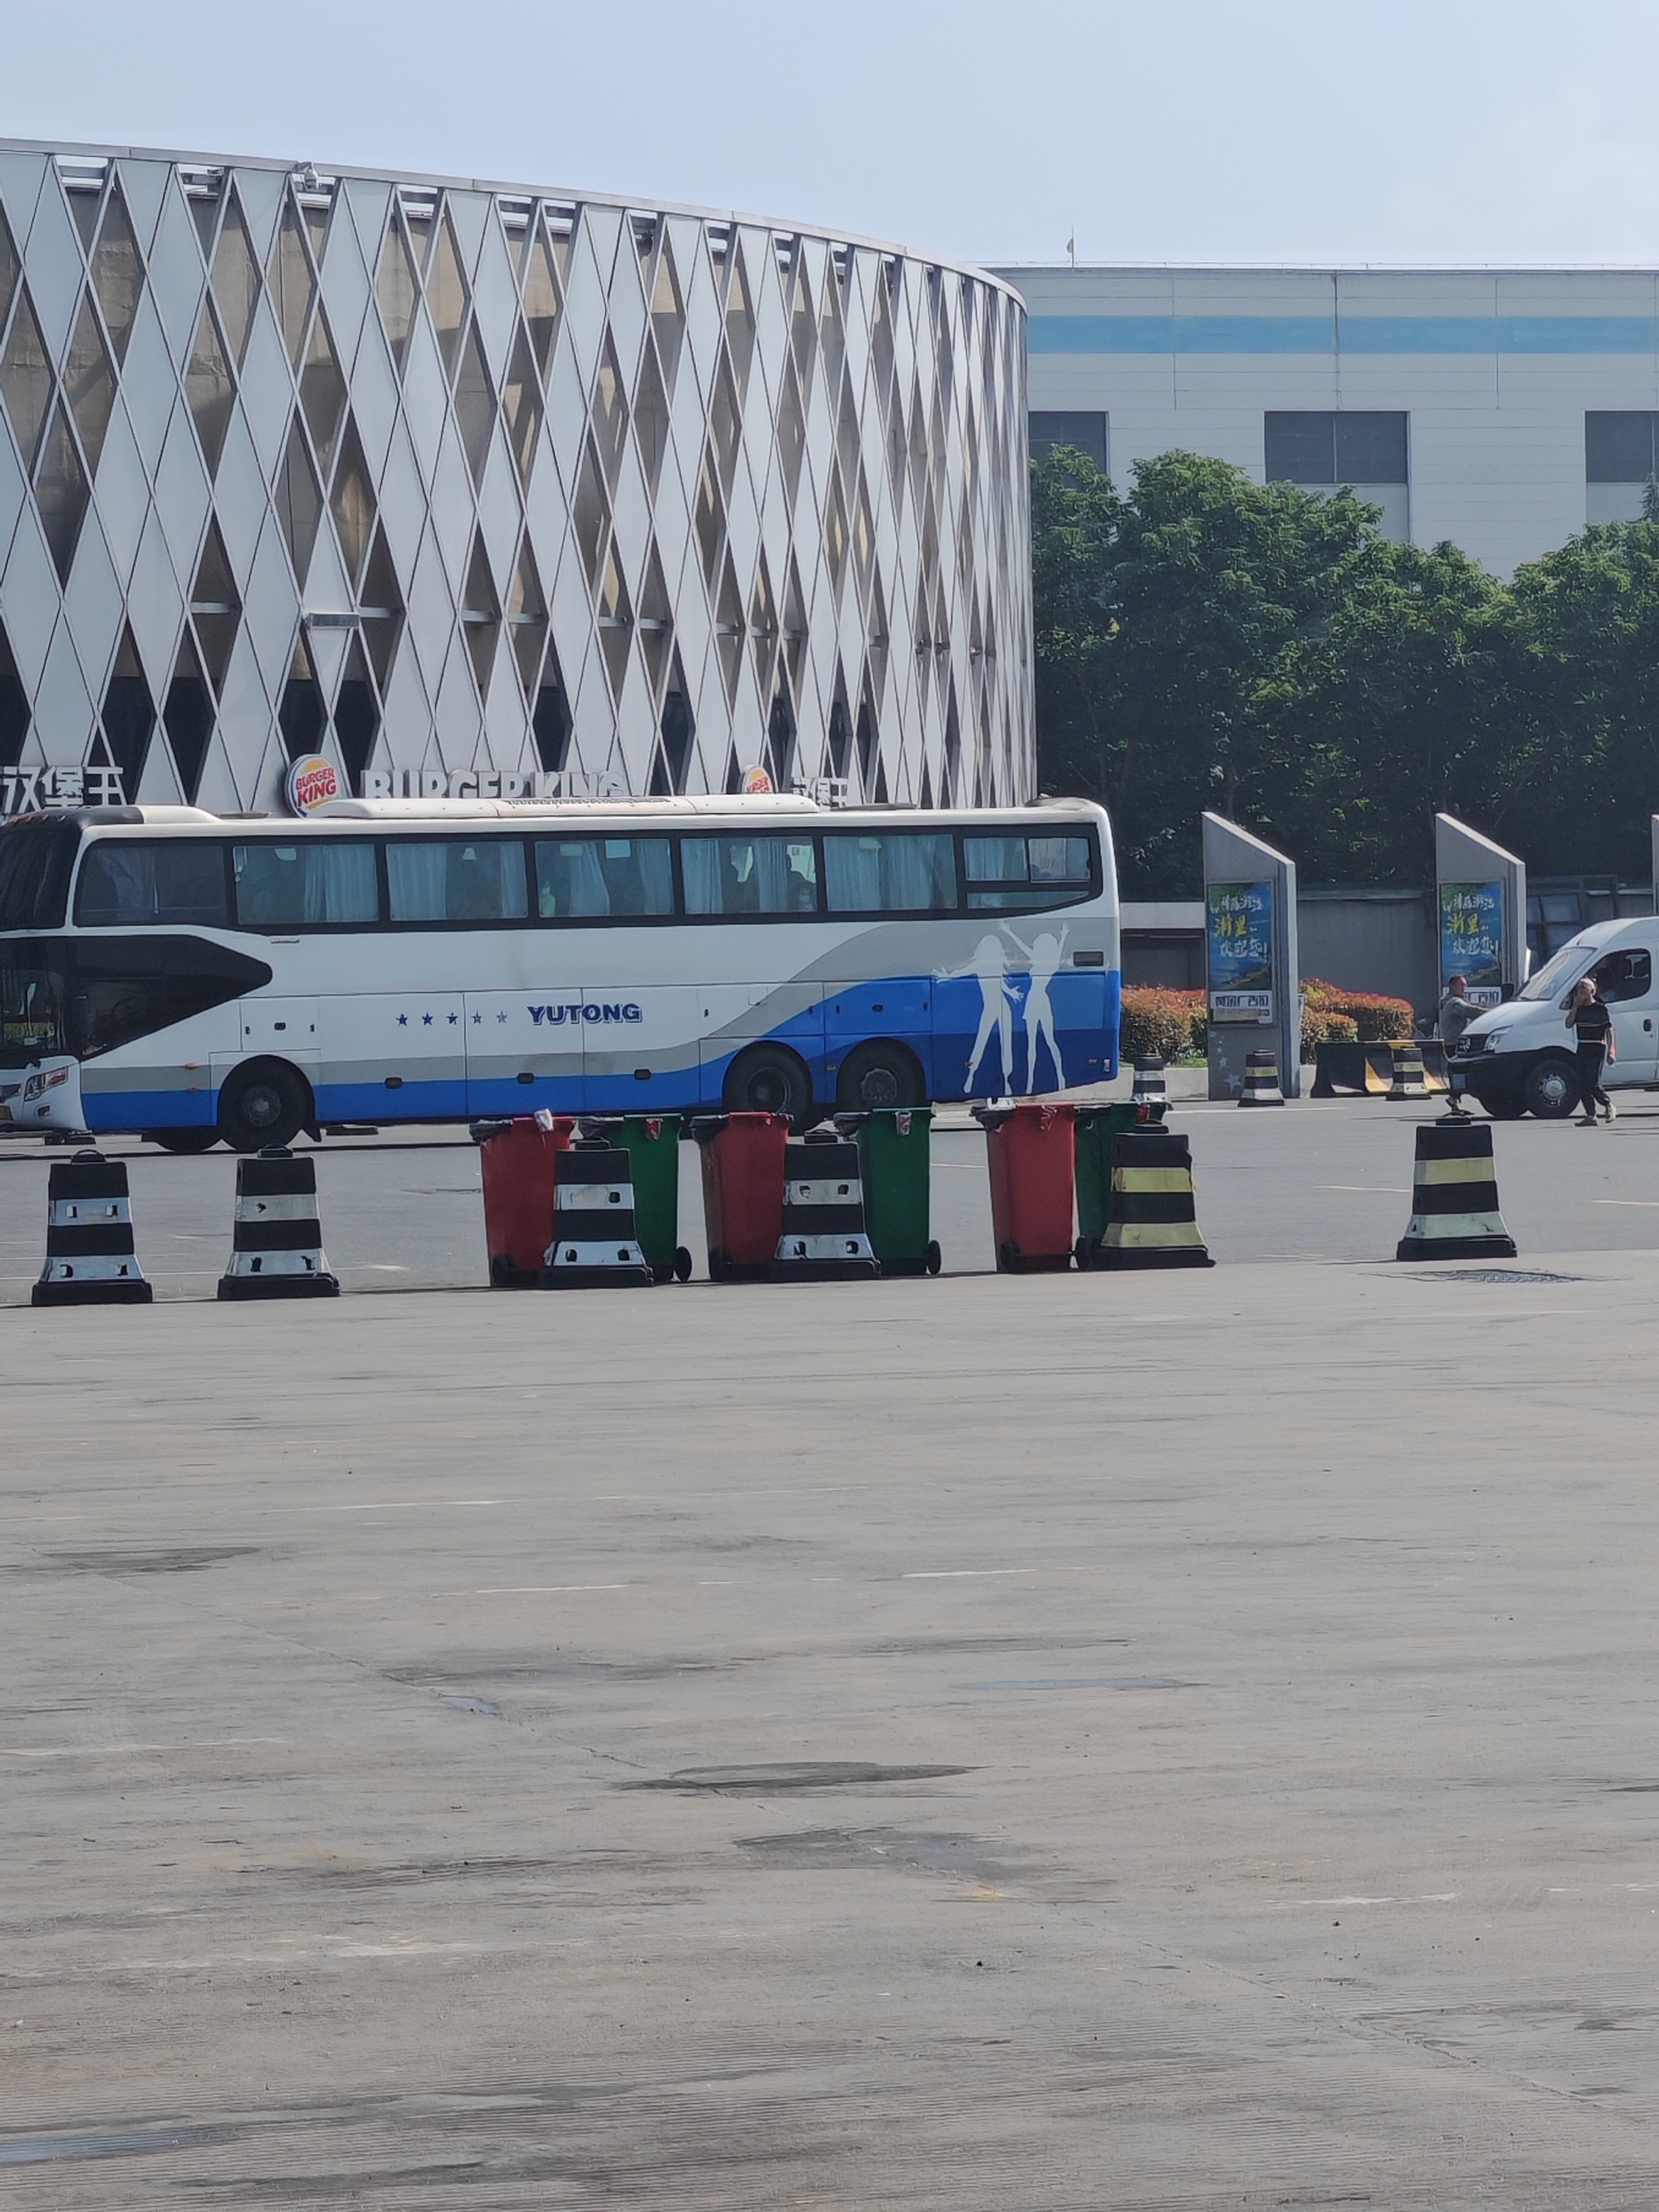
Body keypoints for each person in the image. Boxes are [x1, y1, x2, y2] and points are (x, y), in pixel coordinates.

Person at [1565, 975, 1616, 1124]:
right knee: (1581, 1082)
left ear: (1591, 991)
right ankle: (1591, 1114)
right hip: (1583, 1046)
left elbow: (1609, 1031)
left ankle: (1607, 1104)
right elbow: (1568, 1024)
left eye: (1583, 988)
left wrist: (1612, 1051)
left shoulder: (1600, 1009)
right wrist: (1575, 1006)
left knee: (1592, 1082)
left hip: (1597, 1046)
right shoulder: (1579, 1010)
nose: (1580, 992)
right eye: (1579, 988)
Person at [1436, 973, 1479, 1118]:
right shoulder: (1455, 1003)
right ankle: (1453, 1098)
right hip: (1454, 1044)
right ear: (1452, 986)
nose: (1464, 988)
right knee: (1460, 1073)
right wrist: (1494, 1014)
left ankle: (1455, 1101)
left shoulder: (1446, 1001)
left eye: (1465, 985)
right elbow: (1471, 1012)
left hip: (1451, 1043)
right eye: (1461, 985)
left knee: (1457, 1073)